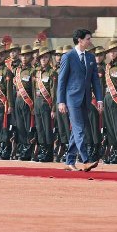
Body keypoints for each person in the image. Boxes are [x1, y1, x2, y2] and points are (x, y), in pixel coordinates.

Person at [57, 28, 103, 172]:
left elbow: (95, 80)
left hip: (86, 99)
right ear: (80, 40)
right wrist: (61, 101)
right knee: (78, 129)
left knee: (78, 130)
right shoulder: (68, 57)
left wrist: (100, 99)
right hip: (71, 99)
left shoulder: (90, 57)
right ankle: (86, 160)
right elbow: (61, 81)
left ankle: (70, 161)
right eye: (88, 39)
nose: (90, 41)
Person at [12, 44, 36, 160]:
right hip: (18, 100)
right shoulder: (17, 70)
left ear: (31, 56)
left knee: (28, 126)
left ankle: (28, 150)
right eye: (23, 55)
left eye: (27, 55)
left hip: (28, 101)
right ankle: (22, 148)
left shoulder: (33, 71)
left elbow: (34, 88)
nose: (24, 58)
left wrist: (34, 104)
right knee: (20, 126)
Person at [34, 46, 58, 162]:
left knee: (47, 128)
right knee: (39, 128)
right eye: (42, 57)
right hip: (38, 103)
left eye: (46, 57)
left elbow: (54, 92)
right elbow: (34, 90)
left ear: (49, 58)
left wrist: (53, 108)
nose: (44, 59)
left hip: (46, 103)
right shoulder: (37, 73)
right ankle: (42, 150)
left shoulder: (52, 73)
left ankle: (48, 153)